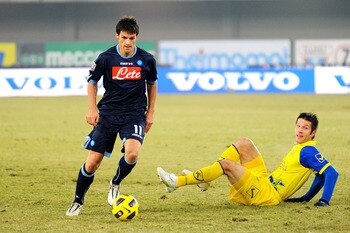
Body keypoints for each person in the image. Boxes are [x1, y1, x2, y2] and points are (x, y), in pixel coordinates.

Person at [66, 16, 158, 216]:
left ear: (136, 38)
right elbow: (92, 81)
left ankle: (115, 183)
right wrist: (92, 109)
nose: (128, 42)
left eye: (132, 38)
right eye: (124, 37)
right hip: (108, 113)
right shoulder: (106, 58)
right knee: (92, 163)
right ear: (117, 36)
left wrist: (150, 113)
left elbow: (152, 84)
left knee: (132, 153)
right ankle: (77, 201)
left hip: (134, 114)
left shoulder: (147, 59)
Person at [157, 112, 338, 207]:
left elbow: (331, 173)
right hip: (265, 182)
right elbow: (320, 175)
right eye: (298, 125)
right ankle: (205, 180)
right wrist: (305, 197)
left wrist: (324, 200)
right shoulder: (303, 149)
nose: (299, 130)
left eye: (305, 128)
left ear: (313, 133)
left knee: (227, 164)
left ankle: (176, 182)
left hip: (266, 194)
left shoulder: (307, 152)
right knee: (244, 143)